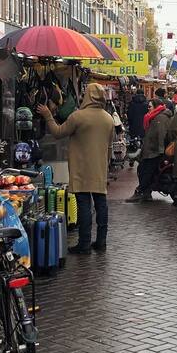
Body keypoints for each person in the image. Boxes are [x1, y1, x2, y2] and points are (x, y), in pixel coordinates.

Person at [38, 83, 115, 252]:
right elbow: (110, 146)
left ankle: (84, 243)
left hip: (81, 168)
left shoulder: (78, 116)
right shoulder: (108, 119)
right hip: (100, 168)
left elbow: (58, 133)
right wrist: (106, 163)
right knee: (101, 205)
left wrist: (48, 115)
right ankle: (101, 241)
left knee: (84, 205)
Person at [127, 97, 172, 202]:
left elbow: (161, 135)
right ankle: (146, 192)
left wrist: (161, 152)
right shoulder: (155, 116)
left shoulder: (160, 118)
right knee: (144, 170)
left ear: (156, 107)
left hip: (154, 151)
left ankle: (141, 191)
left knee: (145, 171)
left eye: (150, 106)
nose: (148, 108)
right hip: (151, 150)